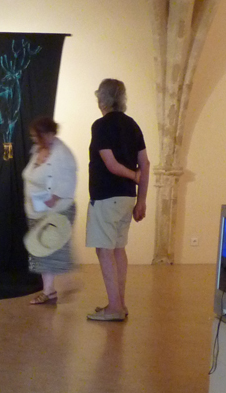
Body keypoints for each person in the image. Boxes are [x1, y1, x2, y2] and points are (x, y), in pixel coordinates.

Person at [85, 78, 149, 322]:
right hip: (126, 198)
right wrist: (141, 200)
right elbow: (145, 164)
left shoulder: (101, 126)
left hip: (106, 197)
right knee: (118, 249)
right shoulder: (132, 125)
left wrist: (133, 176)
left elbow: (111, 164)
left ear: (103, 99)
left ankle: (114, 307)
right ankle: (119, 304)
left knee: (105, 250)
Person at [22, 116, 78, 305]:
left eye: (36, 135)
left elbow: (69, 181)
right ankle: (49, 290)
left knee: (48, 251)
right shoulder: (37, 150)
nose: (33, 139)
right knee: (41, 250)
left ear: (47, 134)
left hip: (53, 210)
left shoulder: (62, 154)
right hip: (37, 210)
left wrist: (54, 197)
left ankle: (49, 290)